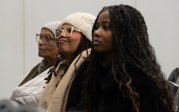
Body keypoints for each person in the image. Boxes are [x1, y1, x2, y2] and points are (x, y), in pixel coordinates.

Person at [66, 4, 175, 112]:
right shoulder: (95, 72)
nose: (96, 33)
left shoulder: (140, 81)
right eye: (96, 27)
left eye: (106, 27)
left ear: (125, 33)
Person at [39, 12, 95, 112]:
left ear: (86, 37)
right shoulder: (60, 67)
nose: (61, 35)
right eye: (60, 31)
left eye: (70, 30)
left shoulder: (90, 66)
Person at [10, 21, 61, 106]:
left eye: (47, 38)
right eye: (40, 37)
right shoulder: (37, 68)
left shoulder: (61, 71)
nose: (40, 42)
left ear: (59, 43)